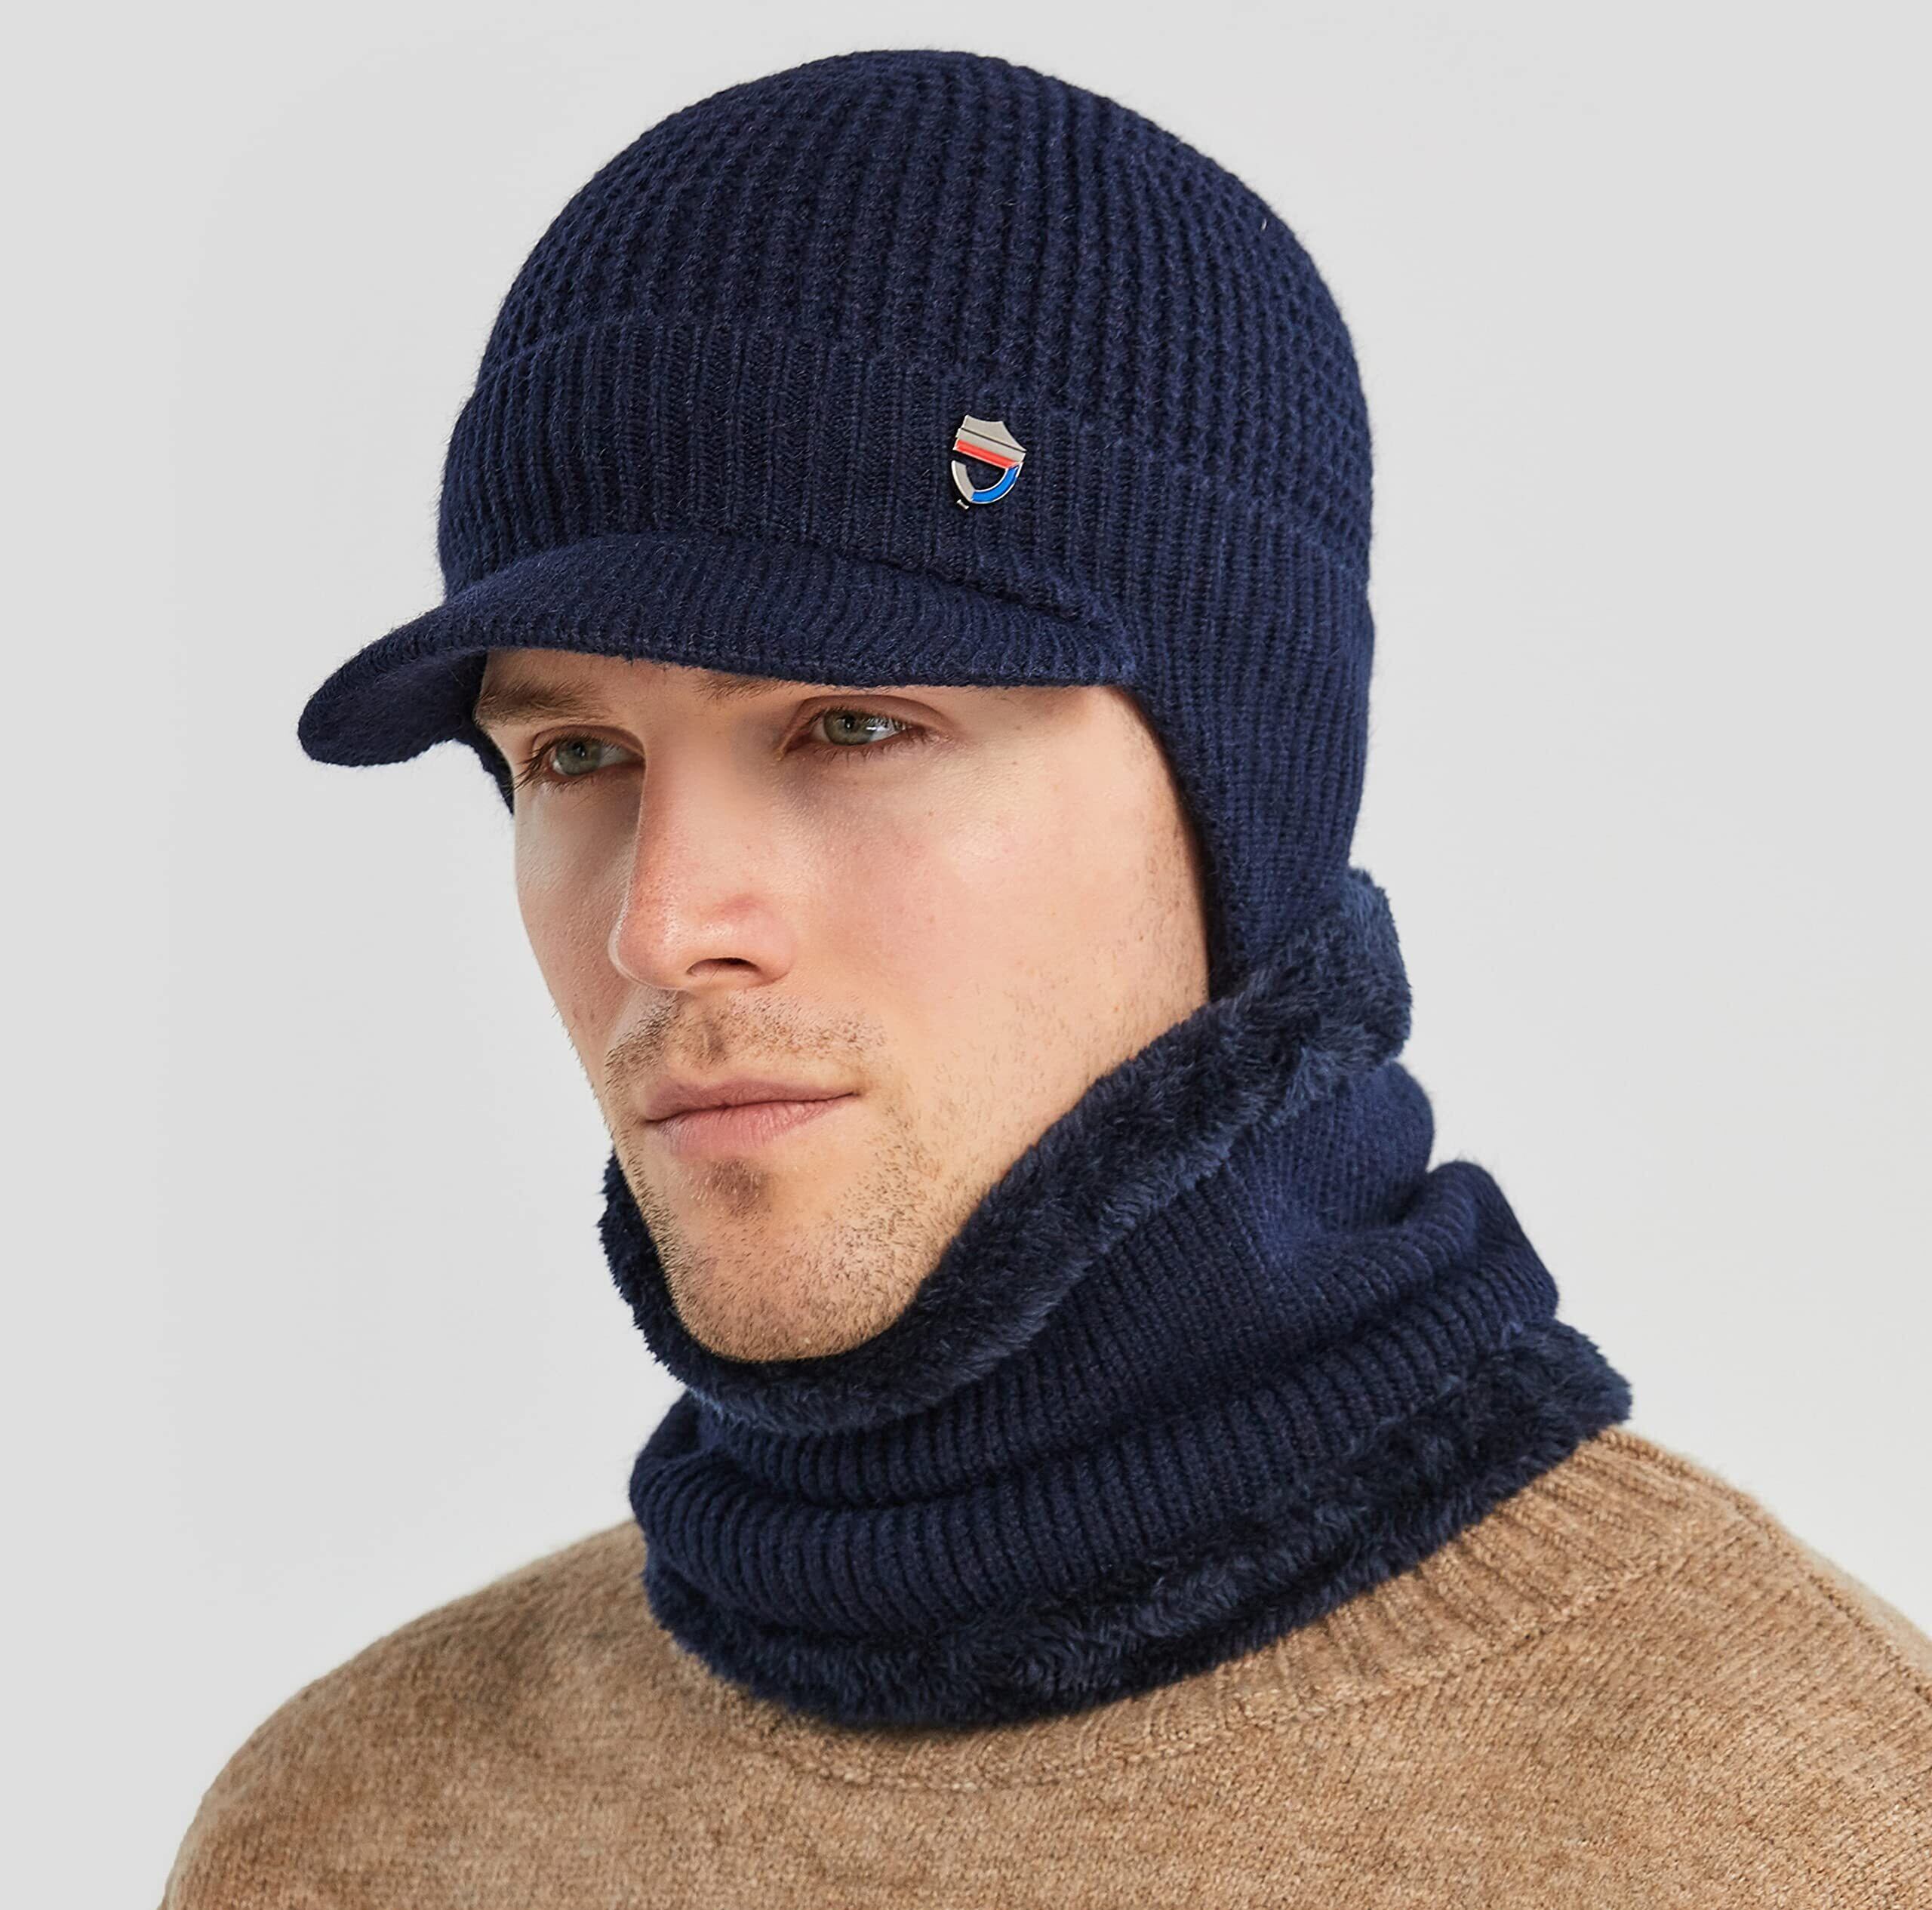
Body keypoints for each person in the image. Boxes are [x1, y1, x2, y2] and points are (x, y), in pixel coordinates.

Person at [162, 46, 1930, 1907]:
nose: (660, 927)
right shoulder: (357, 1830)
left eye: (851, 724)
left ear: (1237, 796)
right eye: (576, 754)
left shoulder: (1795, 1826)